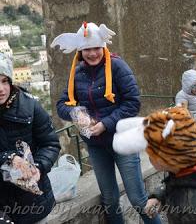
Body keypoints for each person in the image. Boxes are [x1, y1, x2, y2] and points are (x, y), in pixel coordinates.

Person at [52, 22, 161, 224]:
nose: (92, 53)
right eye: (87, 49)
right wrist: (75, 113)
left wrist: (105, 124)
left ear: (103, 47)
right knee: (109, 200)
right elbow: (62, 104)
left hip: (123, 142)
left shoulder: (118, 66)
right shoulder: (76, 73)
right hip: (96, 146)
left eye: (96, 48)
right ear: (80, 51)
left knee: (138, 199)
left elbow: (133, 102)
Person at [112, 105, 196, 224]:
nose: (148, 158)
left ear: (167, 160)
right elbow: (183, 182)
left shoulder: (193, 212)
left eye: (150, 153)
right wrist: (160, 195)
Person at [0, 53, 61, 223]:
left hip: (31, 201)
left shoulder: (30, 106)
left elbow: (50, 143)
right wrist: (9, 158)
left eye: (5, 81)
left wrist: (38, 167)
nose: (1, 89)